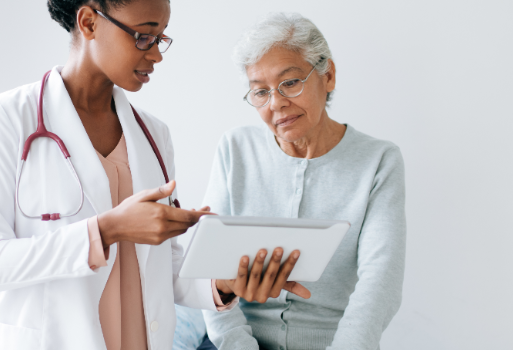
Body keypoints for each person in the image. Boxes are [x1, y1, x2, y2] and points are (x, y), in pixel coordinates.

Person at [0, 2, 309, 350]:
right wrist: (106, 230)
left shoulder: (155, 135)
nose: (157, 55)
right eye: (144, 37)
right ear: (90, 22)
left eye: (161, 38)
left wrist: (224, 283)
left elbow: (160, 268)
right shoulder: (7, 119)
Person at [174, 12, 406, 350]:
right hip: (236, 341)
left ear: (328, 76)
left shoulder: (379, 161)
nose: (277, 103)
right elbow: (209, 270)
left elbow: (380, 282)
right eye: (260, 92)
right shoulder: (235, 148)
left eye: (290, 83)